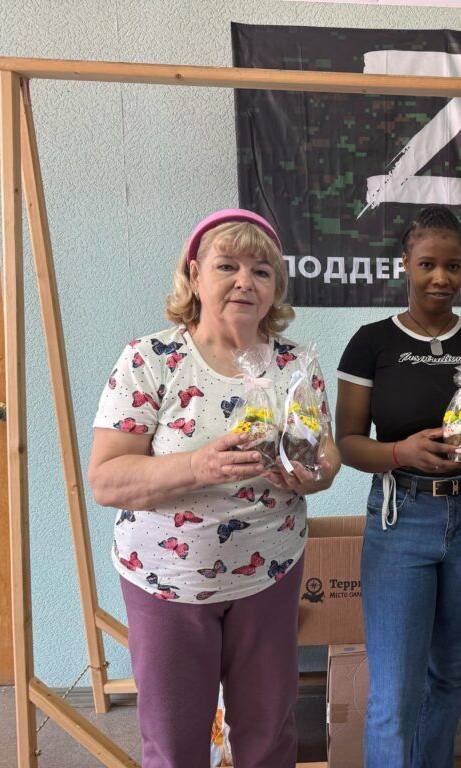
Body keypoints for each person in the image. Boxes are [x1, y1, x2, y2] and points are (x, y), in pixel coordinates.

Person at [88, 208, 340, 768]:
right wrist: (197, 466)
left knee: (270, 734)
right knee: (175, 742)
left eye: (262, 271)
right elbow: (106, 478)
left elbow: (326, 456)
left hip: (269, 574)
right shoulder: (151, 360)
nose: (245, 281)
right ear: (194, 275)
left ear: (275, 289)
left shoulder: (296, 364)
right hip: (169, 582)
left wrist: (314, 473)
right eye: (227, 265)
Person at [334, 205, 461, 768]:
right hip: (401, 519)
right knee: (395, 691)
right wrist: (401, 453)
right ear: (405, 264)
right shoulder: (371, 343)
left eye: (453, 266)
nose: (441, 278)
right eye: (427, 265)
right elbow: (348, 443)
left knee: (447, 675)